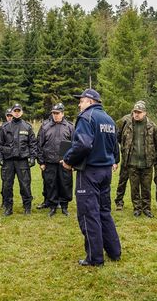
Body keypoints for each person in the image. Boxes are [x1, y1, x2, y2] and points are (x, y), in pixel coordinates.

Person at [62, 88, 121, 267]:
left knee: (89, 214)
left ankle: (95, 258)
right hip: (105, 171)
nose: (79, 104)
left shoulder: (86, 117)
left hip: (89, 172)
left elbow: (83, 144)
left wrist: (68, 160)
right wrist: (112, 160)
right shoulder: (109, 119)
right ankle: (114, 251)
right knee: (104, 211)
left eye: (81, 101)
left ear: (89, 101)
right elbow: (115, 146)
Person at [118, 101, 157, 218]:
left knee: (146, 188)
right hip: (132, 163)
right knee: (134, 188)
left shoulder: (152, 126)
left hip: (147, 163)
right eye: (135, 112)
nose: (136, 114)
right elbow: (120, 139)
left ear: (145, 113)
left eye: (139, 112)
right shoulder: (127, 125)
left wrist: (154, 158)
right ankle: (137, 208)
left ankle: (146, 208)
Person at [0, 103, 37, 215]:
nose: (17, 112)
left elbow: (33, 143)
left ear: (22, 112)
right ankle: (8, 208)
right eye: (15, 111)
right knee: (7, 185)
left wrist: (33, 157)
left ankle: (27, 207)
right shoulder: (4, 127)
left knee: (25, 184)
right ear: (12, 112)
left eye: (19, 110)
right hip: (8, 161)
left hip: (22, 160)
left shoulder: (27, 127)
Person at [37, 103, 74, 216]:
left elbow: (75, 145)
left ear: (62, 113)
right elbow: (39, 145)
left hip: (65, 163)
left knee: (65, 184)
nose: (55, 115)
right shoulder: (45, 126)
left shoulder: (70, 127)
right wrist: (41, 162)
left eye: (57, 113)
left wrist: (72, 162)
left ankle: (64, 207)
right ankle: (52, 206)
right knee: (50, 184)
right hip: (49, 162)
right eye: (53, 113)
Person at [113, 113, 131, 211]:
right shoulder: (125, 119)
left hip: (138, 158)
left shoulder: (145, 120)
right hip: (126, 156)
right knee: (122, 180)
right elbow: (118, 136)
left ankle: (139, 203)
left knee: (138, 182)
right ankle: (119, 201)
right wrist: (124, 147)